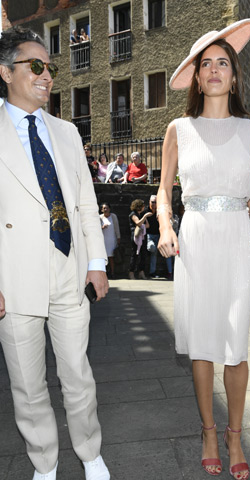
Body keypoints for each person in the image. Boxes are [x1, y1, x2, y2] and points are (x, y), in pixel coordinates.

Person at [156, 19, 250, 480]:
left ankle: (235, 435)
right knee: (203, 345)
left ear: (234, 75)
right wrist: (166, 226)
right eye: (208, 64)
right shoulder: (178, 129)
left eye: (224, 63)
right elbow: (164, 190)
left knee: (235, 345)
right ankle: (208, 430)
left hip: (237, 240)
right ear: (197, 76)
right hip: (197, 239)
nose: (216, 70)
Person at [0, 25, 111, 480]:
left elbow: (85, 201)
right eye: (36, 66)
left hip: (69, 268)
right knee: (27, 385)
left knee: (77, 375)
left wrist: (97, 263)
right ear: (6, 72)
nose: (47, 76)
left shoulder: (66, 132)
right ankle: (44, 463)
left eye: (51, 68)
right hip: (13, 274)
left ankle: (90, 453)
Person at [144, 195, 173, 279]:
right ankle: (152, 272)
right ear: (149, 202)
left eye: (156, 202)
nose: (154, 204)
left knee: (167, 252)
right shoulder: (146, 211)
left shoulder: (160, 212)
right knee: (152, 249)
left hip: (160, 235)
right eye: (152, 202)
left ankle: (170, 272)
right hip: (150, 235)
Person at [128, 198, 149, 280]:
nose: (144, 207)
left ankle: (141, 272)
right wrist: (145, 216)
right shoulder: (133, 214)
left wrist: (144, 217)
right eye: (143, 205)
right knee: (135, 254)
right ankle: (131, 272)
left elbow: (147, 225)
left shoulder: (142, 214)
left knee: (143, 254)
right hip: (136, 236)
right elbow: (138, 223)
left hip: (142, 236)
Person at [100, 203, 120, 279]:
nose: (105, 209)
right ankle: (104, 273)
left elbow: (116, 227)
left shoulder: (113, 216)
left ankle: (112, 272)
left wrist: (118, 237)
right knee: (103, 258)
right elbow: (97, 229)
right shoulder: (100, 218)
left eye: (107, 208)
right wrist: (102, 227)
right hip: (103, 240)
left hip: (112, 239)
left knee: (111, 257)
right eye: (104, 208)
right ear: (101, 210)